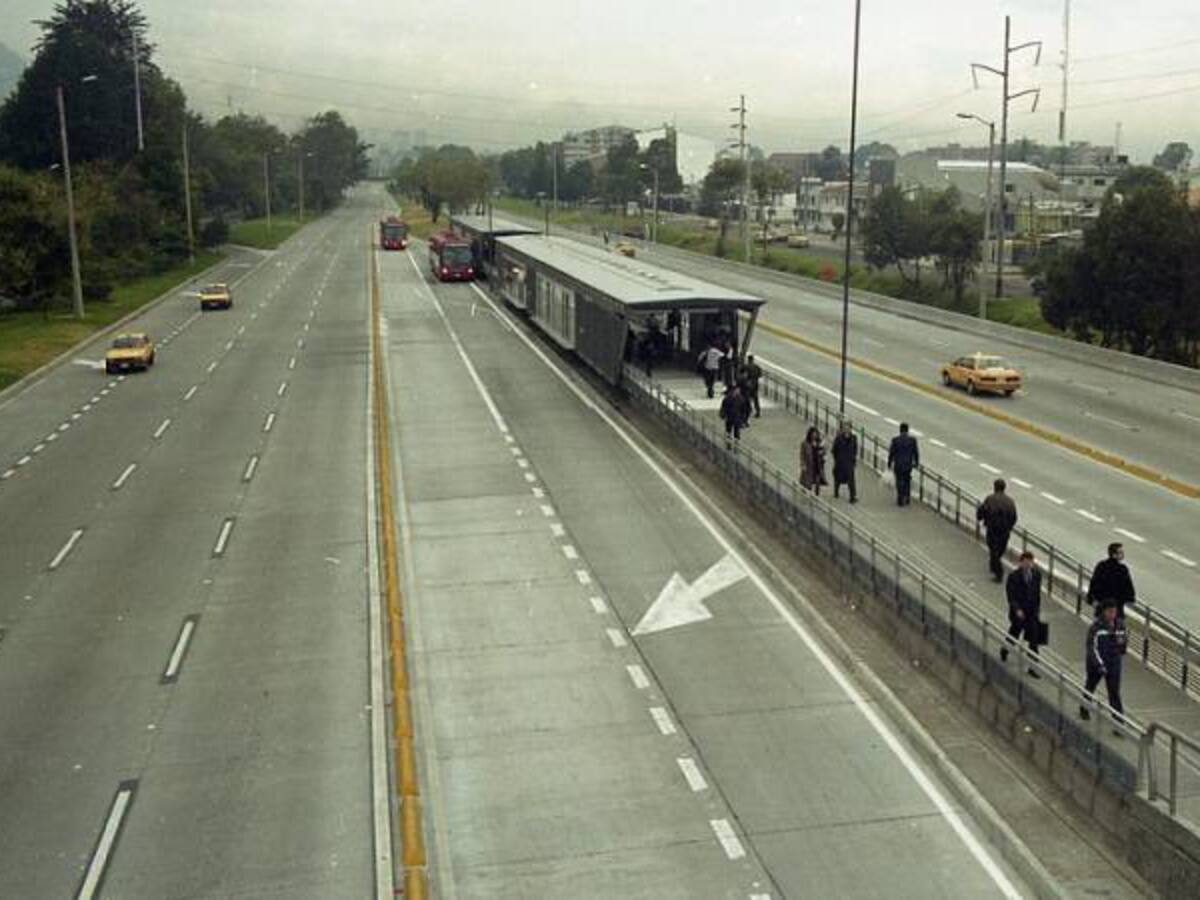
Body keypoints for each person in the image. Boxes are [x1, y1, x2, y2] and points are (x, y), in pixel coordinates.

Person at [1081, 599, 1127, 731]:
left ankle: (1118, 722)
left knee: (1114, 692)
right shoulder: (1096, 627)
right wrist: (1099, 664)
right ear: (1104, 611)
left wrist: (1121, 645)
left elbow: (1123, 645)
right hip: (1097, 664)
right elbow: (1091, 647)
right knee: (1090, 686)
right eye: (1110, 612)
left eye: (1114, 612)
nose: (1112, 615)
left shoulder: (1120, 626)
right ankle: (1084, 708)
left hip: (1114, 663)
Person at [1001, 551, 1042, 677]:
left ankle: (1032, 667)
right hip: (1019, 613)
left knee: (1034, 640)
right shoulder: (1014, 576)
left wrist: (1037, 610)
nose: (1028, 564)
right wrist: (1017, 609)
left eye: (1030, 562)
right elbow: (1011, 596)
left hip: (1032, 613)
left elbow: (1037, 594)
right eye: (1026, 562)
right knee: (1014, 634)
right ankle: (1005, 649)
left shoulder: (1036, 575)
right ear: (1021, 562)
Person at [976, 479, 1018, 582]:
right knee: (999, 550)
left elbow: (982, 511)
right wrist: (1009, 526)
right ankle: (994, 566)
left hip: (992, 529)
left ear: (995, 487)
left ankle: (998, 571)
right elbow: (1014, 516)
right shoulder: (1010, 501)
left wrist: (980, 517)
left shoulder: (990, 499)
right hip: (1004, 531)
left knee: (993, 549)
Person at [1087, 543, 1136, 621]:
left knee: (1100, 624)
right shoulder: (1122, 569)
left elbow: (1094, 583)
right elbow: (1128, 586)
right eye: (1120, 552)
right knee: (1117, 625)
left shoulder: (1101, 565)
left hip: (1102, 605)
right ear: (1114, 555)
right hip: (1117, 607)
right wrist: (1130, 599)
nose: (1123, 554)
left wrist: (1091, 598)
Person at [886, 422, 919, 506]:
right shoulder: (912, 440)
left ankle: (900, 497)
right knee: (907, 480)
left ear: (900, 430)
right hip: (908, 464)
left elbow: (891, 453)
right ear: (907, 430)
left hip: (898, 464)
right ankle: (907, 497)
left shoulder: (895, 440)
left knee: (899, 480)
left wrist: (889, 463)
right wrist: (916, 463)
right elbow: (915, 452)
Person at [831, 420, 858, 503]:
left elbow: (855, 449)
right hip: (840, 461)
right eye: (845, 427)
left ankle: (852, 497)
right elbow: (834, 450)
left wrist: (853, 459)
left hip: (849, 462)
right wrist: (837, 458)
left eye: (848, 427)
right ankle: (836, 492)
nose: (846, 429)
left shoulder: (854, 438)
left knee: (851, 480)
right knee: (838, 478)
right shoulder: (838, 438)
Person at [800, 427, 827, 496]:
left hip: (817, 463)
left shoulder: (819, 442)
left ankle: (816, 492)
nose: (814, 436)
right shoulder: (805, 443)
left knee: (817, 478)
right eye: (813, 434)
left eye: (815, 434)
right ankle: (807, 490)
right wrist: (803, 464)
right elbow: (802, 454)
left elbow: (824, 451)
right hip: (809, 463)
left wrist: (822, 453)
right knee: (808, 478)